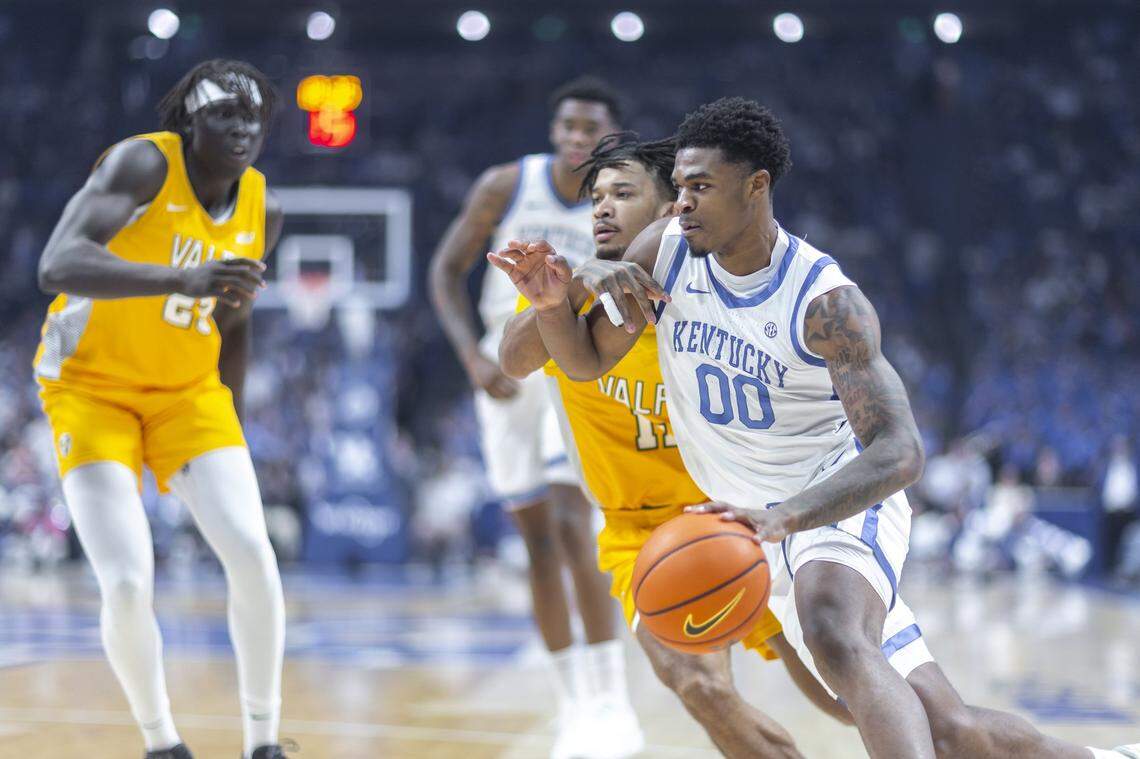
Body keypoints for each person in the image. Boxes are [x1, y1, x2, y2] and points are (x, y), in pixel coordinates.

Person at [490, 105, 1139, 759]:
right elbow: (583, 360)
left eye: (701, 188)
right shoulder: (662, 255)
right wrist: (553, 299)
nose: (683, 204)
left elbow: (901, 450)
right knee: (950, 732)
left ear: (756, 186)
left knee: (831, 629)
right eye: (680, 188)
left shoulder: (825, 302)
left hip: (832, 497)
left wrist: (787, 514)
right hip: (736, 521)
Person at [35, 59, 288, 759]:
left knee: (254, 556)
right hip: (90, 388)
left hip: (187, 394)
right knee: (124, 577)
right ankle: (161, 741)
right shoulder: (141, 164)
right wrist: (182, 276)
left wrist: (229, 424)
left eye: (252, 115)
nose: (239, 127)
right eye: (221, 114)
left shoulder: (264, 204)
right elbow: (56, 264)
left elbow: (234, 321)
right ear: (188, 120)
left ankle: (264, 743)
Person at [428, 76, 641, 757]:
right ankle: (574, 704)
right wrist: (471, 357)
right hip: (505, 360)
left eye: (591, 129)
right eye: (569, 126)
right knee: (538, 542)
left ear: (608, 137)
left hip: (573, 361)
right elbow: (445, 270)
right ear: (555, 131)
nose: (578, 138)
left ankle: (613, 699)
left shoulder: (621, 199)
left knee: (573, 515)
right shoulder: (505, 185)